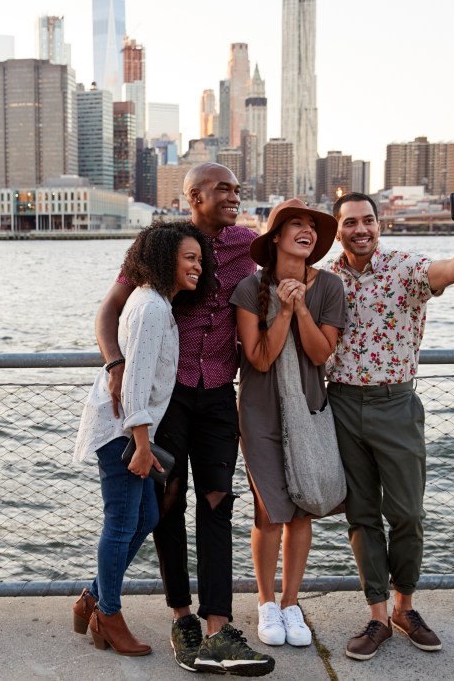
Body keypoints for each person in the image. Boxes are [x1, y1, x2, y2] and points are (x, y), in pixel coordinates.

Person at [94, 163, 275, 676]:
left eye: (238, 188)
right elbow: (108, 310)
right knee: (166, 504)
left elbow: (295, 249)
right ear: (192, 196)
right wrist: (115, 363)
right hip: (168, 397)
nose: (234, 195)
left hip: (219, 393)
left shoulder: (247, 242)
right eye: (222, 189)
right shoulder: (161, 243)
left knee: (218, 502)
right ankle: (182, 617)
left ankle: (219, 628)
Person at [325, 190, 454, 661]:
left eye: (368, 221)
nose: (360, 230)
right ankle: (378, 616)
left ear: (379, 225)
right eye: (350, 223)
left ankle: (406, 607)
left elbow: (453, 271)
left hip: (396, 403)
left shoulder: (406, 267)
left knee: (407, 513)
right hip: (339, 402)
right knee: (362, 515)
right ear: (337, 228)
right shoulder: (326, 278)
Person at [72, 222, 215, 656]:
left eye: (200, 259)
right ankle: (108, 615)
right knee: (121, 521)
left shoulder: (156, 304)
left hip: (131, 429)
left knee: (148, 513)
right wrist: (140, 444)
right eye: (189, 258)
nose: (198, 266)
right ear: (163, 258)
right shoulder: (151, 308)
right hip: (123, 431)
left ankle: (93, 597)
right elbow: (132, 383)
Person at [229, 198, 346, 648]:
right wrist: (280, 309)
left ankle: (291, 602)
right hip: (259, 413)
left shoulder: (329, 287)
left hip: (311, 410)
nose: (306, 231)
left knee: (303, 507)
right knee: (269, 510)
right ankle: (265, 603)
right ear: (275, 237)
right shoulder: (247, 289)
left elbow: (320, 354)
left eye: (312, 227)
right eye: (295, 224)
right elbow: (258, 359)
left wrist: (300, 309)